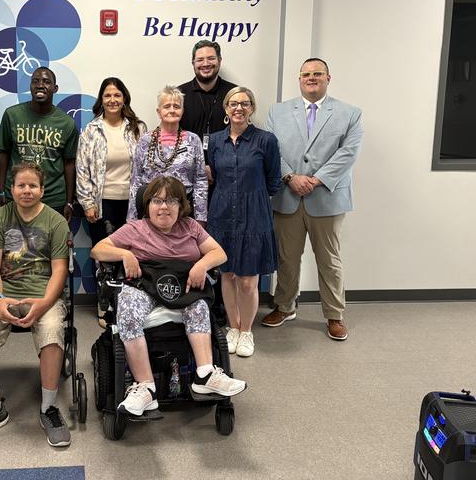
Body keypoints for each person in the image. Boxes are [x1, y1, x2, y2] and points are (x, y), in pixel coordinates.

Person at [91, 176, 247, 417]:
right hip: (146, 285)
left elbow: (219, 253)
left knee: (199, 306)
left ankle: (205, 374)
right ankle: (145, 388)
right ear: (147, 205)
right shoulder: (135, 228)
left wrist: (201, 265)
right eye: (157, 201)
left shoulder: (191, 227)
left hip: (182, 285)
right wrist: (124, 254)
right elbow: (98, 249)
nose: (164, 207)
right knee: (128, 309)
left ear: (181, 206)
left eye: (171, 201)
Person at [0, 162, 72, 447]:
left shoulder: (56, 221)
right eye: (21, 185)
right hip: (4, 293)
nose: (27, 190)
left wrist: (44, 304)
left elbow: (59, 270)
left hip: (43, 295)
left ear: (42, 190)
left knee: (53, 331)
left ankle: (48, 409)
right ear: (11, 189)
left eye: (33, 185)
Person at [263, 58, 363, 341]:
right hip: (287, 194)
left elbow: (349, 153)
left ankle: (334, 314)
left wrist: (316, 179)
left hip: (327, 198)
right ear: (299, 79)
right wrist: (290, 177)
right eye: (306, 74)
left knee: (329, 260)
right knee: (287, 258)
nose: (311, 78)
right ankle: (284, 306)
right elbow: (271, 150)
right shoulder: (278, 111)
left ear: (328, 78)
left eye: (317, 74)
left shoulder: (349, 113)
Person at [207, 87, 281, 357]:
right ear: (226, 109)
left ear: (252, 108)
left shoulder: (266, 140)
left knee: (248, 280)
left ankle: (247, 331)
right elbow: (212, 175)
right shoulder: (215, 141)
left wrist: (253, 198)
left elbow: (274, 181)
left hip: (254, 215)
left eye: (244, 103)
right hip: (222, 213)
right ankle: (233, 327)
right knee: (226, 274)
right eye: (233, 103)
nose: (238, 107)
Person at [0, 67, 78, 221]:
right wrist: (1, 191)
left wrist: (69, 201)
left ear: (55, 88)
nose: (40, 85)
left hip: (53, 199)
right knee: (14, 243)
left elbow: (69, 163)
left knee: (51, 244)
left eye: (46, 82)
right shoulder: (12, 115)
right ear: (30, 86)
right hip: (17, 196)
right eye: (35, 81)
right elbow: (3, 153)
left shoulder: (67, 123)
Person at [76, 77, 146, 249]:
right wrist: (87, 204)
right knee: (103, 254)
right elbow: (82, 169)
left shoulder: (138, 129)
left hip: (132, 203)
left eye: (117, 95)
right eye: (107, 96)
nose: (112, 100)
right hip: (101, 204)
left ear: (124, 99)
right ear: (101, 100)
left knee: (131, 253)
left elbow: (146, 166)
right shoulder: (91, 131)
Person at [127, 86, 207, 223]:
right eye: (167, 106)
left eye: (176, 106)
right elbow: (136, 180)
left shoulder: (193, 140)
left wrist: (201, 217)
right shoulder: (145, 140)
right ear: (159, 112)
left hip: (182, 210)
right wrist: (132, 217)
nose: (172, 110)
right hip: (150, 211)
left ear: (182, 111)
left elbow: (200, 181)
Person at [178, 40, 236, 185]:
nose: (205, 63)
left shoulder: (234, 94)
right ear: (193, 63)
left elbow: (241, 137)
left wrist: (215, 168)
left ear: (219, 61)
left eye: (211, 58)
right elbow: (172, 138)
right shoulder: (179, 95)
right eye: (200, 60)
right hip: (186, 177)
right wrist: (199, 167)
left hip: (226, 177)